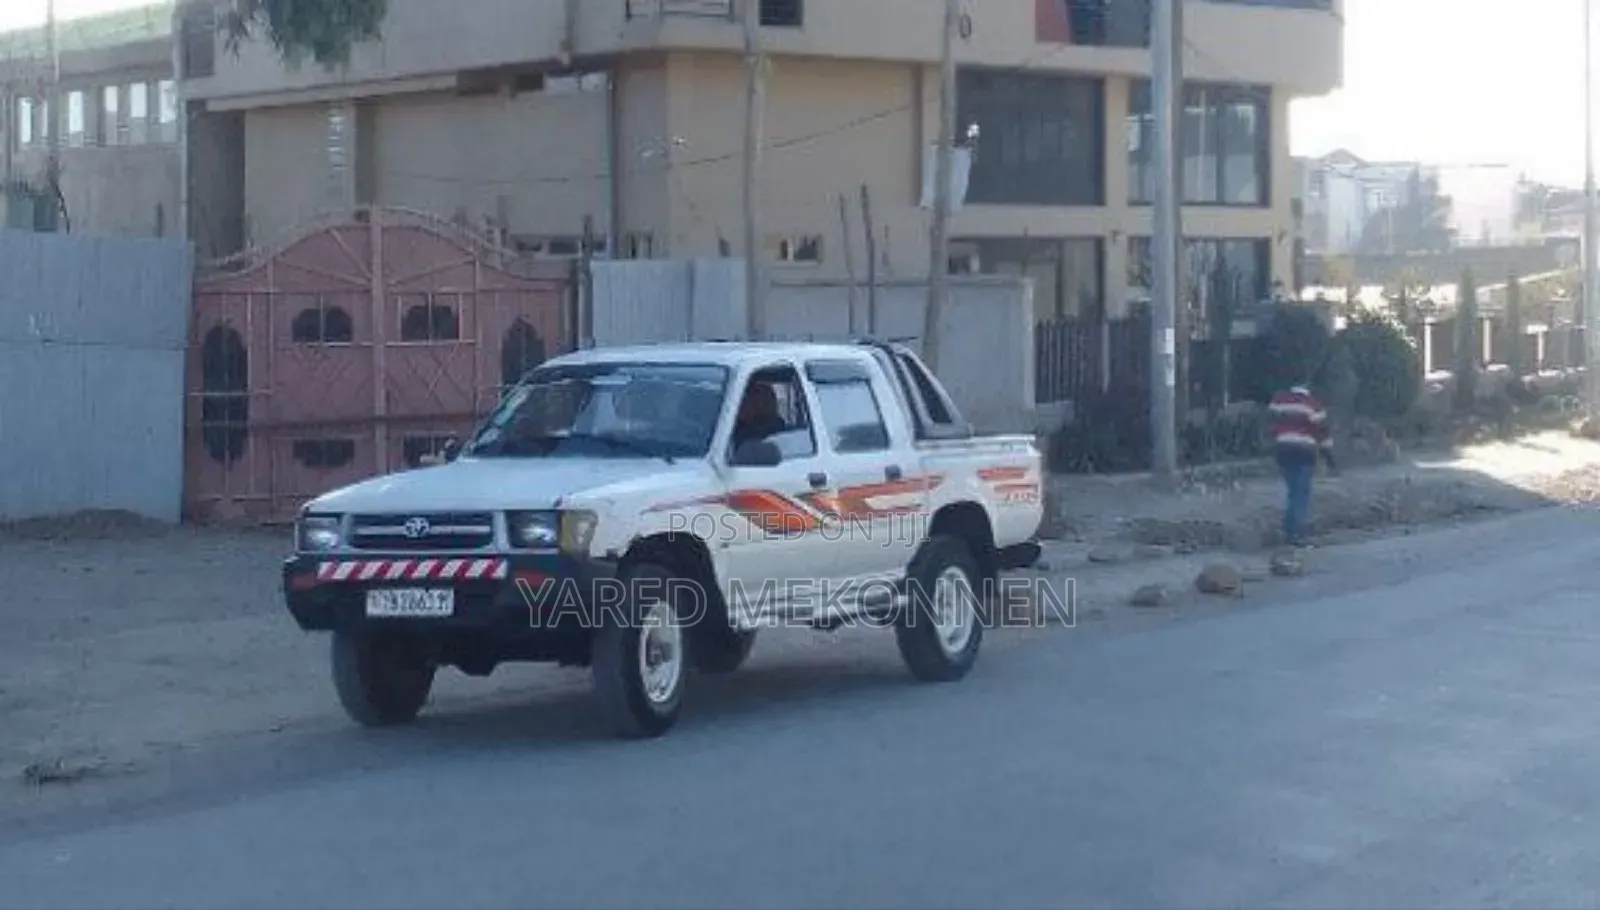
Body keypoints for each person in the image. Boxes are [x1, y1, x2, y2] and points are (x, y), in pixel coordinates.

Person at [1268, 378, 1337, 547]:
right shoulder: (1312, 404)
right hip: (1304, 452)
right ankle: (1294, 534)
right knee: (1301, 493)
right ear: (1308, 387)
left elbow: (1270, 421)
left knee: (1293, 491)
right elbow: (1323, 433)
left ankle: (1289, 529)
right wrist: (1330, 459)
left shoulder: (1279, 400)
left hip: (1283, 450)